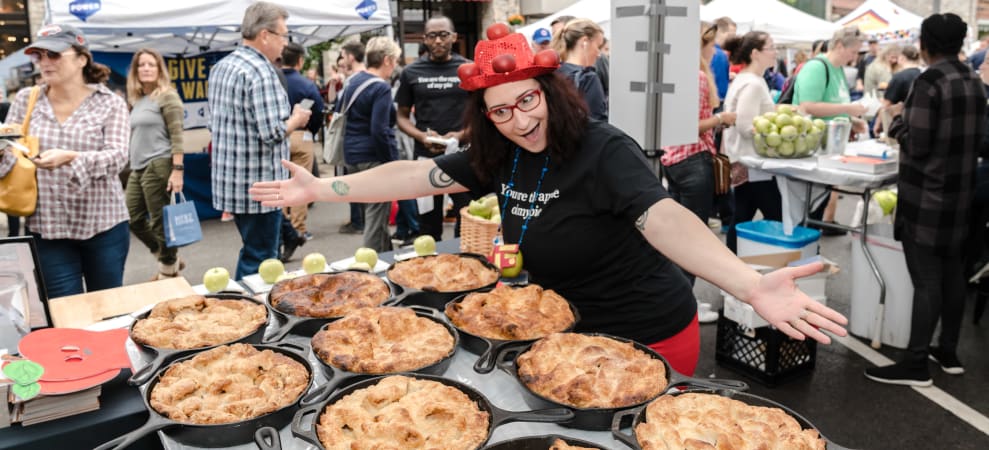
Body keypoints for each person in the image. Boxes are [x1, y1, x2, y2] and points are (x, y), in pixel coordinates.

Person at [250, 25, 849, 376]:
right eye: (500, 111)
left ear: (550, 92)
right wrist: (320, 188)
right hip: (561, 329)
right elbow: (416, 175)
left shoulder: (602, 148)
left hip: (647, 332)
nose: (518, 120)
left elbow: (664, 217)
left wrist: (744, 282)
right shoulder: (499, 154)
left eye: (527, 101)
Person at [865, 13, 986, 387]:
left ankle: (916, 362)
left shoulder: (928, 81)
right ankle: (947, 351)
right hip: (961, 196)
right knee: (952, 275)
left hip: (927, 198)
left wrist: (898, 122)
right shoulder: (973, 80)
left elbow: (916, 143)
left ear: (924, 44)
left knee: (927, 280)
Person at [0, 24, 130, 298]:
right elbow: (9, 156)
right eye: (39, 55)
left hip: (103, 224)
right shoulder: (26, 99)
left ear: (82, 58)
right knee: (63, 313)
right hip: (48, 228)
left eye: (55, 54)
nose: (45, 62)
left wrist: (72, 158)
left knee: (107, 311)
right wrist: (3, 152)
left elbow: (118, 157)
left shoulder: (109, 103)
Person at [207, 2, 311, 280]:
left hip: (232, 181)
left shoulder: (222, 67)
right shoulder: (261, 72)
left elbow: (214, 124)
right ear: (265, 35)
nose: (285, 43)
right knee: (261, 260)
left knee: (254, 250)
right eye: (283, 35)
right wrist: (296, 120)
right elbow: (272, 133)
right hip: (261, 185)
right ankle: (249, 314)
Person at [661, 21, 737, 323]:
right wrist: (721, 118)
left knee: (675, 238)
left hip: (674, 162)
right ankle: (685, 304)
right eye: (712, 44)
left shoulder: (671, 76)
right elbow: (688, 126)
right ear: (702, 46)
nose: (715, 50)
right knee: (693, 239)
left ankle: (677, 299)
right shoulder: (696, 78)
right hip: (693, 160)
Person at [395, 15, 472, 242]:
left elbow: (481, 113)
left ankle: (464, 265)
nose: (438, 41)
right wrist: (420, 136)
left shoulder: (467, 68)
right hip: (426, 158)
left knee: (466, 216)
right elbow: (401, 116)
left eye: (443, 35)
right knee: (428, 222)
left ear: (454, 37)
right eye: (432, 36)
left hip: (462, 155)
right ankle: (431, 267)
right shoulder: (411, 72)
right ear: (424, 39)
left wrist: (461, 135)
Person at [793, 26, 869, 234]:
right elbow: (807, 106)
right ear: (838, 45)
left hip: (831, 149)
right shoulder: (817, 67)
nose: (854, 58)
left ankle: (810, 249)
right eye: (853, 52)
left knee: (817, 206)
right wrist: (847, 109)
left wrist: (851, 119)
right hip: (812, 149)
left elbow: (832, 103)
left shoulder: (838, 70)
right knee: (807, 210)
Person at [125, 48, 186, 280]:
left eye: (152, 64)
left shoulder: (167, 96)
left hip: (159, 164)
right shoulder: (138, 100)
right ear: (136, 71)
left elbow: (178, 135)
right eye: (142, 65)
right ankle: (166, 256)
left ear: (159, 69)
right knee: (133, 219)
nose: (146, 69)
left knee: (160, 222)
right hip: (137, 168)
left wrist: (177, 170)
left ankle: (168, 271)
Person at [340, 36, 403, 252]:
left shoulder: (353, 81)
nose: (395, 66)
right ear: (386, 60)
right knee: (376, 217)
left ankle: (386, 258)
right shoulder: (381, 88)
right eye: (395, 61)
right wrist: (391, 162)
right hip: (373, 156)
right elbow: (379, 130)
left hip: (352, 155)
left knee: (377, 213)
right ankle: (369, 265)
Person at [722, 31, 782, 254]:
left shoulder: (748, 80)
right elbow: (746, 126)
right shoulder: (753, 83)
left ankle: (730, 270)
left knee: (742, 215)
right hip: (753, 163)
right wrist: (779, 135)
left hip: (748, 161)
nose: (775, 52)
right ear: (756, 53)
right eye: (771, 47)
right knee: (776, 216)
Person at [278, 42, 325, 261]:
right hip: (302, 134)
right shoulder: (306, 84)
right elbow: (318, 111)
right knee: (301, 182)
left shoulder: (273, 79)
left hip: (280, 135)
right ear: (300, 61)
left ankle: (284, 226)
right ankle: (298, 228)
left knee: (281, 182)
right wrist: (311, 131)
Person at [337, 41, 368, 236]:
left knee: (356, 187)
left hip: (355, 143)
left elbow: (339, 109)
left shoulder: (352, 81)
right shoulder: (366, 79)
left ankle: (359, 222)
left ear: (350, 57)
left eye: (342, 55)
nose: (341, 59)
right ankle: (359, 221)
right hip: (363, 144)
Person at [551, 18, 608, 121]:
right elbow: (597, 125)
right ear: (584, 42)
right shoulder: (587, 78)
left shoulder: (551, 73)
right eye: (598, 46)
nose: (599, 54)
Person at [873, 45, 922, 136]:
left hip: (904, 123)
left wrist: (877, 124)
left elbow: (886, 104)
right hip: (922, 120)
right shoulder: (923, 74)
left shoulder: (899, 77)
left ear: (902, 58)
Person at [710, 17, 736, 103]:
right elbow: (721, 91)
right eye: (731, 35)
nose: (733, 40)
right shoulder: (720, 55)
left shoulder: (709, 51)